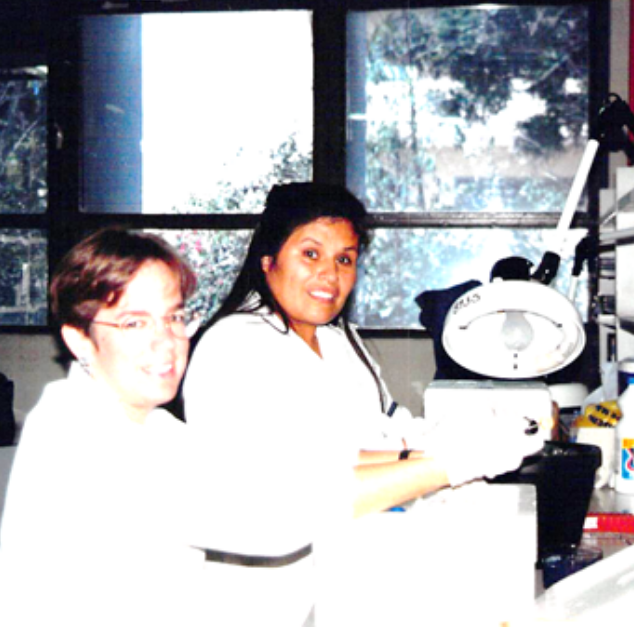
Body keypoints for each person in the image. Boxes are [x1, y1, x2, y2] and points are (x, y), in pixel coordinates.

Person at [183, 182, 543, 626]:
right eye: (310, 254)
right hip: (266, 602)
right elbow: (301, 483)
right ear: (269, 260)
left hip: (357, 577)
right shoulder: (234, 348)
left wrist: (457, 434)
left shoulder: (339, 341)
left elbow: (386, 428)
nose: (330, 276)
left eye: (345, 259)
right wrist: (447, 462)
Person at [0, 228, 206, 627]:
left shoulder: (163, 429)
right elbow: (253, 521)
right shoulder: (68, 429)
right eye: (134, 324)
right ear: (80, 340)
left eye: (174, 317)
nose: (167, 341)